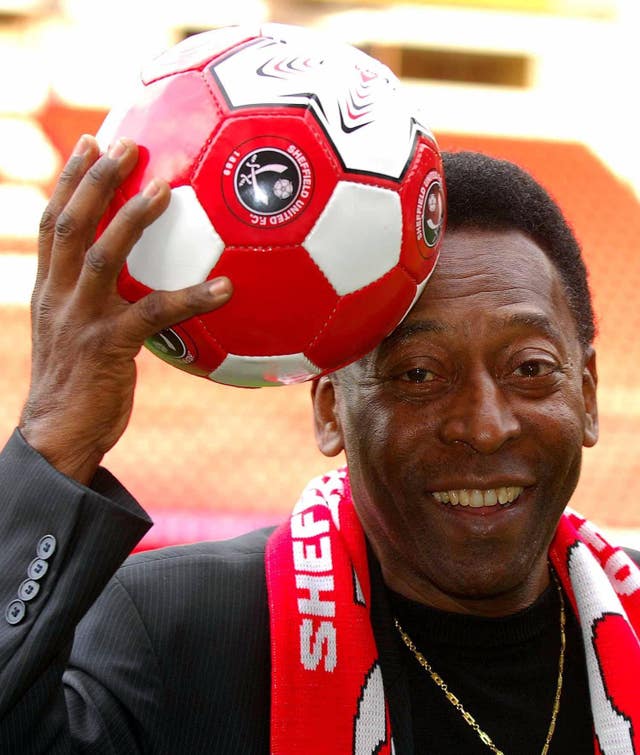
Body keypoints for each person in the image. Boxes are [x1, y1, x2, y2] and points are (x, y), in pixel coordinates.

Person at [0, 137, 638, 755]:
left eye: (529, 368)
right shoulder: (181, 631)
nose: (485, 425)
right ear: (331, 408)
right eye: (418, 374)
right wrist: (57, 440)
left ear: (585, 393)